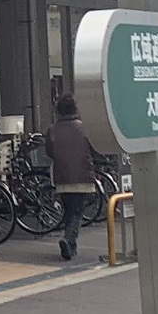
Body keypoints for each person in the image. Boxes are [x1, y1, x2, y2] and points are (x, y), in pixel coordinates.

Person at [48, 95, 99, 261]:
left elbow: (49, 151)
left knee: (69, 210)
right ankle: (68, 239)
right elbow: (94, 148)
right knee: (77, 212)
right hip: (82, 175)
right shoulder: (84, 128)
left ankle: (71, 245)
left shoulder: (53, 129)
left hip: (62, 176)